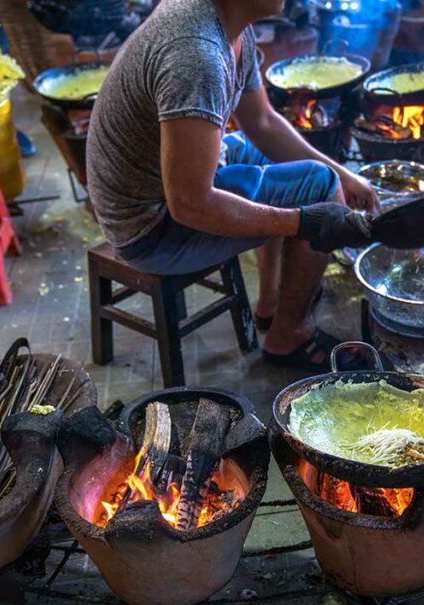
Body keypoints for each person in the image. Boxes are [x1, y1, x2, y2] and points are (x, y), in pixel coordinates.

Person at [86, 0, 378, 372]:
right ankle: (290, 334)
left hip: (158, 192)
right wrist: (304, 222)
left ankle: (272, 304)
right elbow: (190, 204)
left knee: (304, 169)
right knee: (319, 188)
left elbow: (263, 123)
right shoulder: (197, 55)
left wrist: (344, 173)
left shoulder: (231, 24)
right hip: (148, 229)